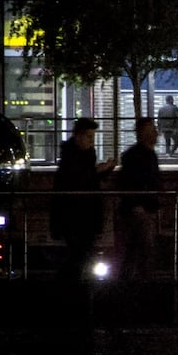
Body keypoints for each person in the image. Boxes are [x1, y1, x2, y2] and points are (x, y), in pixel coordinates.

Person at [51, 117, 116, 282]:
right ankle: (68, 287)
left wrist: (104, 171)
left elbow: (88, 179)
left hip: (86, 214)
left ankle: (71, 287)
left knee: (81, 255)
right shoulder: (71, 157)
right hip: (74, 215)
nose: (92, 142)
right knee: (78, 255)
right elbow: (77, 180)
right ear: (79, 136)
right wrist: (98, 171)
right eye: (89, 137)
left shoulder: (84, 154)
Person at [115, 117, 163, 281]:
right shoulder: (138, 156)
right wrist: (137, 204)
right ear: (143, 133)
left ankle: (133, 284)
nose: (156, 132)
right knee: (141, 250)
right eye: (152, 129)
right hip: (139, 210)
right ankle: (137, 286)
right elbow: (128, 182)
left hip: (142, 209)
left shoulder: (145, 155)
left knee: (138, 251)